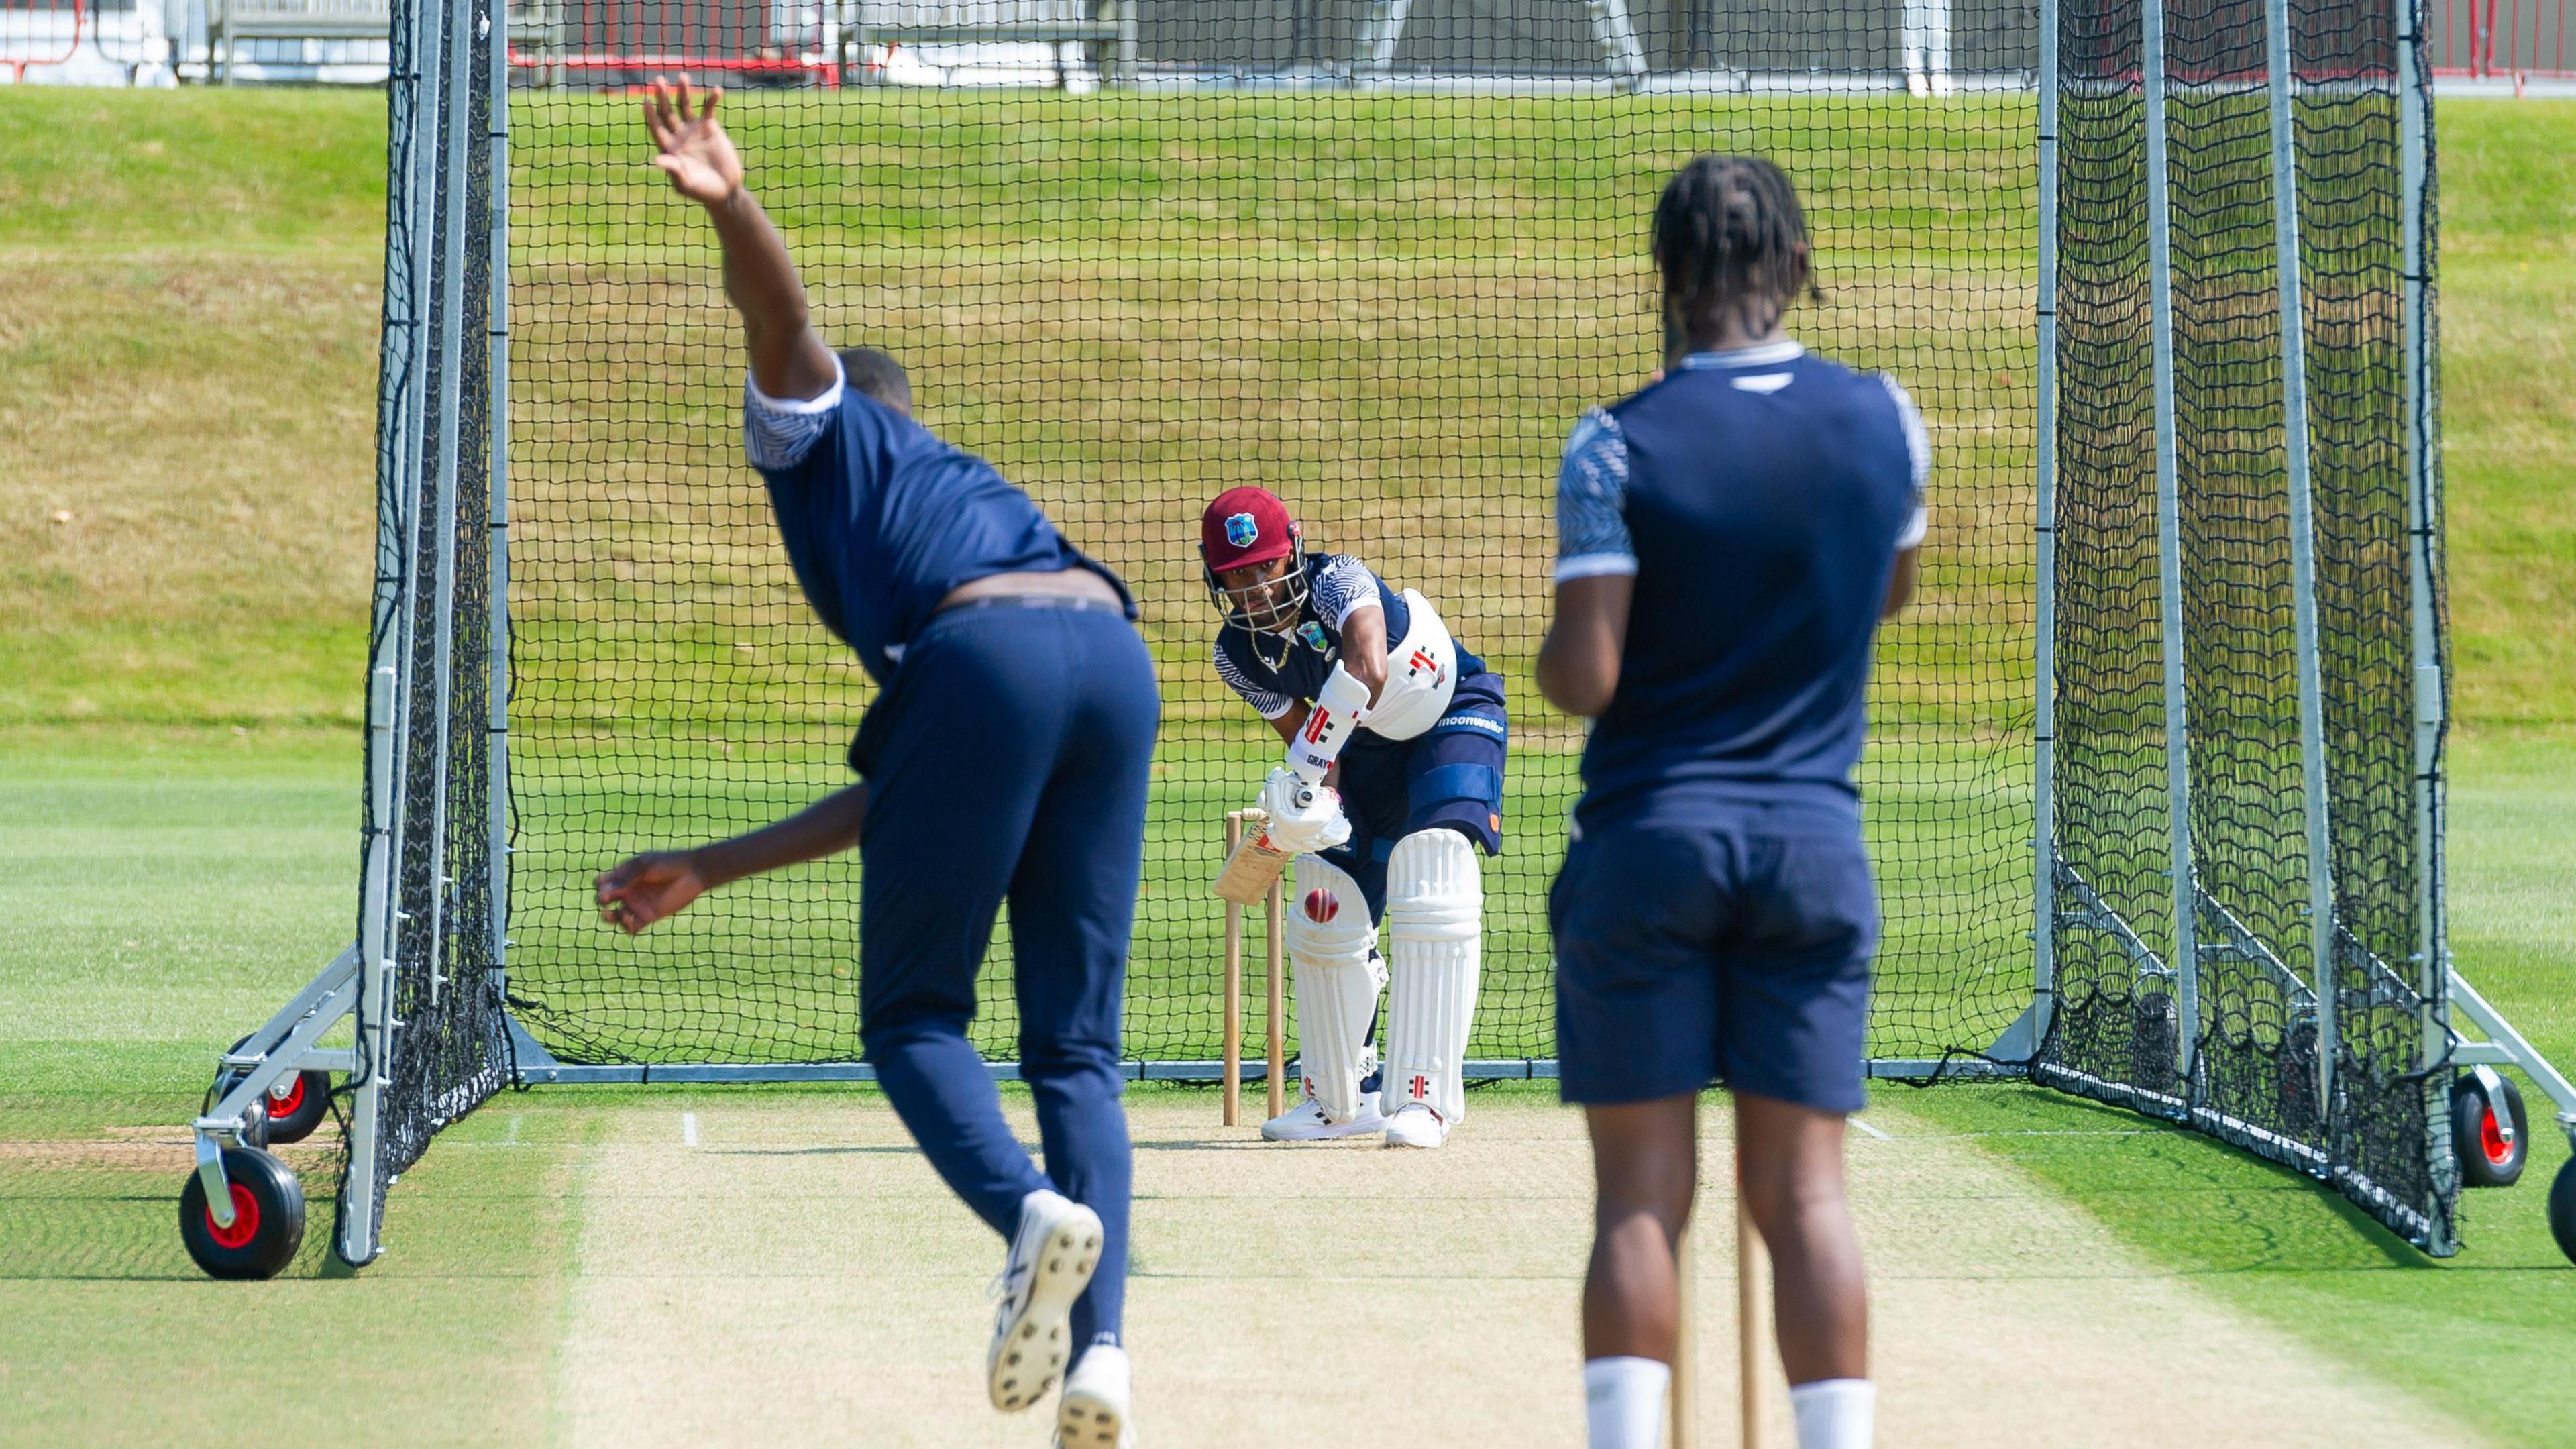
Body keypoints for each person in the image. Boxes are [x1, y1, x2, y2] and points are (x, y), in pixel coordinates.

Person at [592, 80, 1157, 1449]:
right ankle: (1110, 1360)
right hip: (1111, 661)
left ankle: (1026, 1214)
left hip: (993, 668)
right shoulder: (968, 495)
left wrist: (732, 202)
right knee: (1076, 1047)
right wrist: (712, 868)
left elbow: (780, 325)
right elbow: (918, 791)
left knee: (913, 1021)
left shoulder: (821, 440)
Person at [1536, 154, 1925, 1449]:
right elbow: (1887, 592)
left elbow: (1586, 677)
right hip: (1814, 842)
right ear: (1800, 268)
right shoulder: (1887, 420)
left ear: (1666, 280)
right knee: (1810, 1200)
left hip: (1651, 841)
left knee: (1641, 1204)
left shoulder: (1615, 441)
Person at [1199, 486, 1508, 1150]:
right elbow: (1307, 741)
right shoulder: (1235, 655)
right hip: (1360, 748)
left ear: (1294, 553)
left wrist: (1303, 766)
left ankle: (1424, 1100)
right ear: (1215, 577)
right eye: (1236, 576)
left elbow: (1365, 667)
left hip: (1448, 711)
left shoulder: (1339, 581)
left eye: (1264, 568)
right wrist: (1310, 803)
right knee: (1321, 898)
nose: (1254, 589)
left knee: (1433, 868)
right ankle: (1340, 1101)